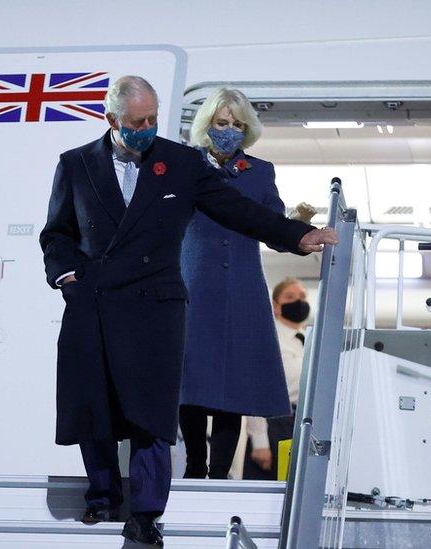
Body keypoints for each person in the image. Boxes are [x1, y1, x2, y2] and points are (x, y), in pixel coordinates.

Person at [39, 75, 338, 546]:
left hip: (155, 305)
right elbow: (56, 234)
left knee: (151, 416)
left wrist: (295, 236)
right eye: (138, 121)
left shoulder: (178, 163)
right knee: (93, 406)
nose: (148, 128)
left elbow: (236, 209)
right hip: (93, 302)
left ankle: (147, 513)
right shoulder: (76, 164)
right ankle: (101, 495)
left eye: (154, 119)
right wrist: (67, 276)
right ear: (111, 119)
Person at [179, 87, 291, 480]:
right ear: (206, 125)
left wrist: (300, 230)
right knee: (189, 382)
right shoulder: (184, 164)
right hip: (193, 283)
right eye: (221, 123)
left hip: (242, 287)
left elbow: (274, 228)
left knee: (232, 385)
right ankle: (195, 464)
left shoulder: (260, 172)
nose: (228, 130)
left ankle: (219, 471)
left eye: (236, 125)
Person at [244, 278, 310, 480]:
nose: (297, 301)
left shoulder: (310, 340)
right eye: (289, 297)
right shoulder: (268, 339)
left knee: (298, 490)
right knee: (270, 493)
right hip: (275, 422)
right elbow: (255, 390)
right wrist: (260, 441)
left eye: (301, 297)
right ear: (275, 306)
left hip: (304, 422)